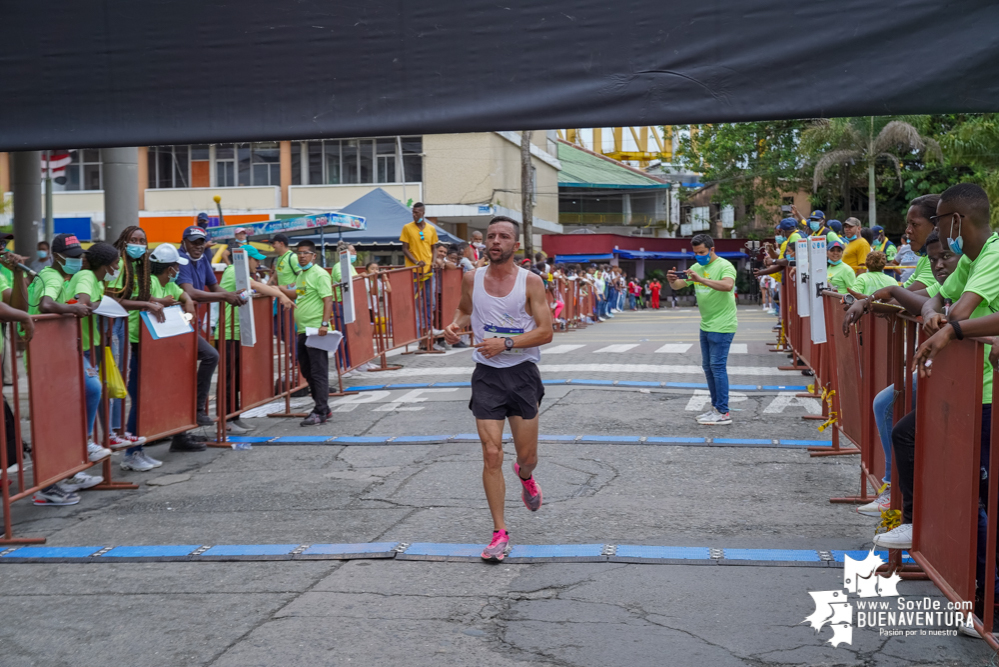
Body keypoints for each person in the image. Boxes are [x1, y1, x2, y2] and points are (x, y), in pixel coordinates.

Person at [875, 183, 999, 555]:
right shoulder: (971, 259)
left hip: (986, 392)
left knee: (979, 492)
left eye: (939, 221)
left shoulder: (992, 254)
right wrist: (934, 314)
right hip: (967, 386)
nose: (937, 230)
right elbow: (937, 301)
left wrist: (946, 324)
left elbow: (956, 313)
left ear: (956, 220)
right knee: (913, 439)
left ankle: (981, 590)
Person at [442, 216, 553, 562]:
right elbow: (464, 310)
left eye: (504, 236)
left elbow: (546, 331)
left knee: (526, 457)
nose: (495, 241)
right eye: (491, 236)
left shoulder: (531, 282)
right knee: (491, 454)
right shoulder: (471, 278)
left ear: (515, 245)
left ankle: (526, 477)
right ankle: (499, 532)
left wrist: (505, 343)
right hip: (487, 375)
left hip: (522, 374)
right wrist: (455, 326)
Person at [117, 243, 196, 471]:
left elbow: (183, 295)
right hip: (136, 344)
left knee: (145, 398)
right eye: (175, 267)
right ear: (168, 268)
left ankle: (138, 449)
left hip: (152, 346)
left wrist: (187, 302)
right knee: (138, 399)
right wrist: (163, 302)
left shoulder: (168, 282)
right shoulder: (148, 282)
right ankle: (131, 453)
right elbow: (146, 301)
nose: (177, 272)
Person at [176, 225, 246, 433]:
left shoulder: (202, 259)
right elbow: (191, 292)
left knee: (191, 368)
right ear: (184, 242)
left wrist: (233, 295)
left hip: (191, 323)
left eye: (201, 242)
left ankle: (184, 426)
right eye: (193, 242)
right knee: (210, 356)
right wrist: (226, 296)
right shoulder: (181, 260)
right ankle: (196, 409)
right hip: (177, 323)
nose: (198, 246)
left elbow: (214, 287)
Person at [218, 244, 295, 434]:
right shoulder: (232, 271)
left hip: (238, 332)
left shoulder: (243, 273)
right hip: (228, 333)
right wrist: (280, 294)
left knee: (236, 380)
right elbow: (254, 286)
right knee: (227, 380)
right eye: (255, 259)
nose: (258, 263)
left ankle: (234, 417)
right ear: (245, 259)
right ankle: (225, 420)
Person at [668, 234, 738, 426]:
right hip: (706, 325)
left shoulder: (724, 266)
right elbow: (678, 285)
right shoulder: (696, 268)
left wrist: (701, 280)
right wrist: (672, 280)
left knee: (717, 367)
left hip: (723, 325)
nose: (699, 256)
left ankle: (723, 412)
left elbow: (727, 285)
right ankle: (715, 408)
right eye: (696, 253)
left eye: (702, 252)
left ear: (712, 249)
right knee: (708, 368)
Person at [105, 226, 163, 452]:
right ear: (123, 241)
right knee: (115, 385)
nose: (138, 244)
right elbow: (114, 300)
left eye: (142, 240)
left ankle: (122, 436)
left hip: (128, 331)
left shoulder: (140, 267)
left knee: (124, 385)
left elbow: (139, 295)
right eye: (133, 240)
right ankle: (114, 434)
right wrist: (146, 304)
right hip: (116, 328)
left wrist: (156, 301)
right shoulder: (117, 265)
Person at [63, 242, 121, 463]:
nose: (117, 269)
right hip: (75, 346)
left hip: (87, 346)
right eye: (115, 265)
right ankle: (86, 442)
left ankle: (103, 438)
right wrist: (102, 305)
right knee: (94, 388)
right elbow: (81, 303)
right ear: (106, 266)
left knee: (100, 388)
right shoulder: (86, 277)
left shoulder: (94, 280)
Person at [278, 240, 334, 426]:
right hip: (303, 330)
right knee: (306, 370)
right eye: (299, 253)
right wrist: (277, 289)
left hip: (316, 330)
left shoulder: (320, 274)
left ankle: (320, 411)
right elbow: (297, 294)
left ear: (314, 255)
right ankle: (323, 407)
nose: (301, 256)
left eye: (305, 253)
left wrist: (324, 324)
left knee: (318, 371)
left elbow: (328, 300)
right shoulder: (302, 274)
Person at [400, 202, 439, 336]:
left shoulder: (431, 229)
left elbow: (434, 248)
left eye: (417, 212)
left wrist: (433, 262)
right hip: (413, 272)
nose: (414, 215)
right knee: (412, 302)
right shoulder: (407, 228)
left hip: (428, 271)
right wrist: (416, 262)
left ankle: (429, 329)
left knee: (430, 302)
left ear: (423, 213)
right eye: (413, 212)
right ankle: (413, 332)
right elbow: (404, 249)